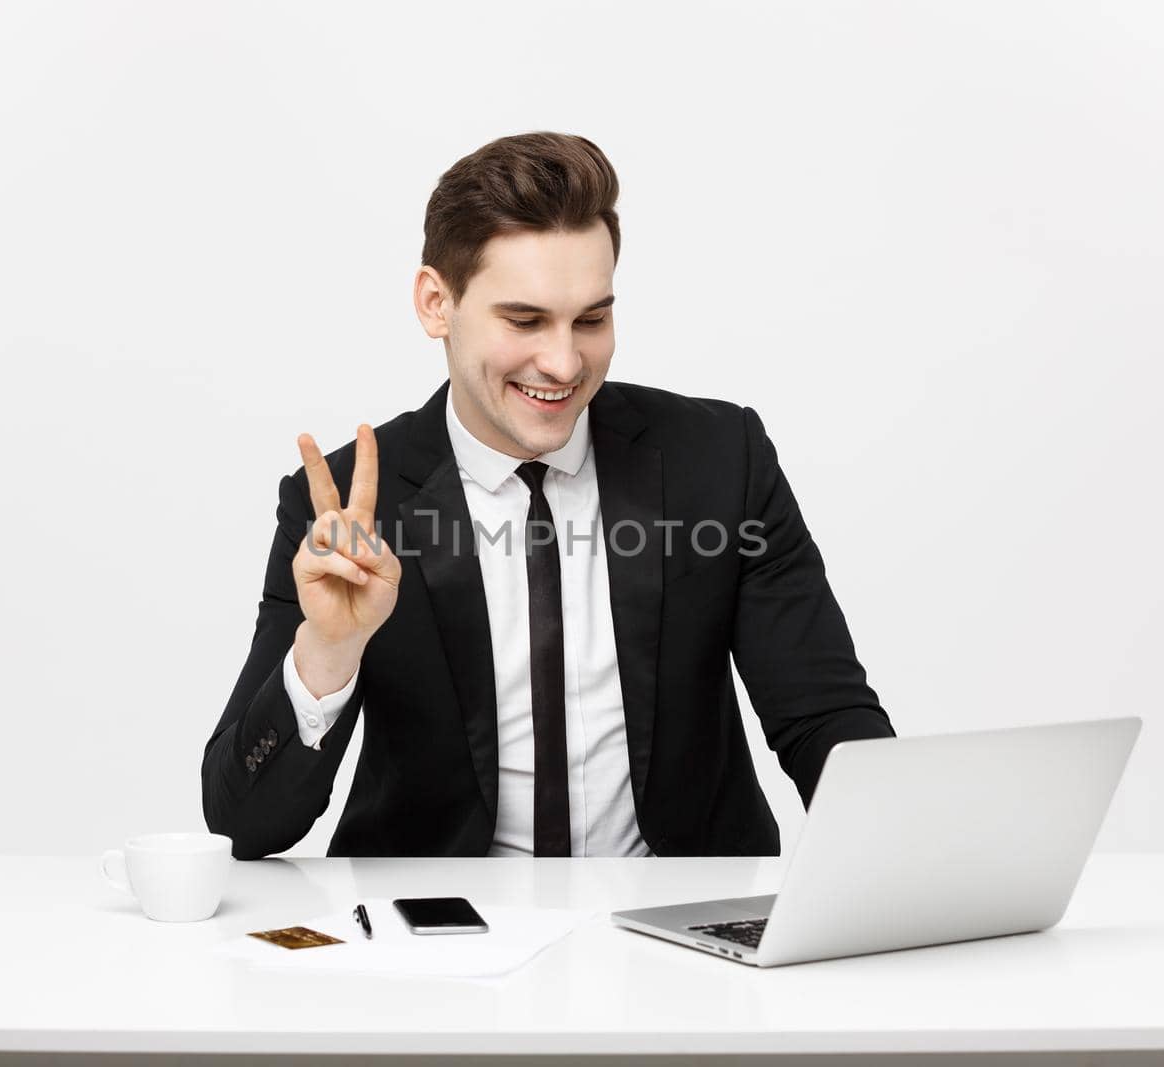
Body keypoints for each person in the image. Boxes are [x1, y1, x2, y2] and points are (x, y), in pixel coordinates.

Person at [201, 131, 894, 858]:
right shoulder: (343, 507)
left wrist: (914, 868)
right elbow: (243, 824)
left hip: (678, 927)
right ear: (437, 303)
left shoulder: (721, 460)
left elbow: (823, 718)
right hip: (444, 934)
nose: (564, 362)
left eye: (591, 319)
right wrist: (329, 652)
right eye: (525, 320)